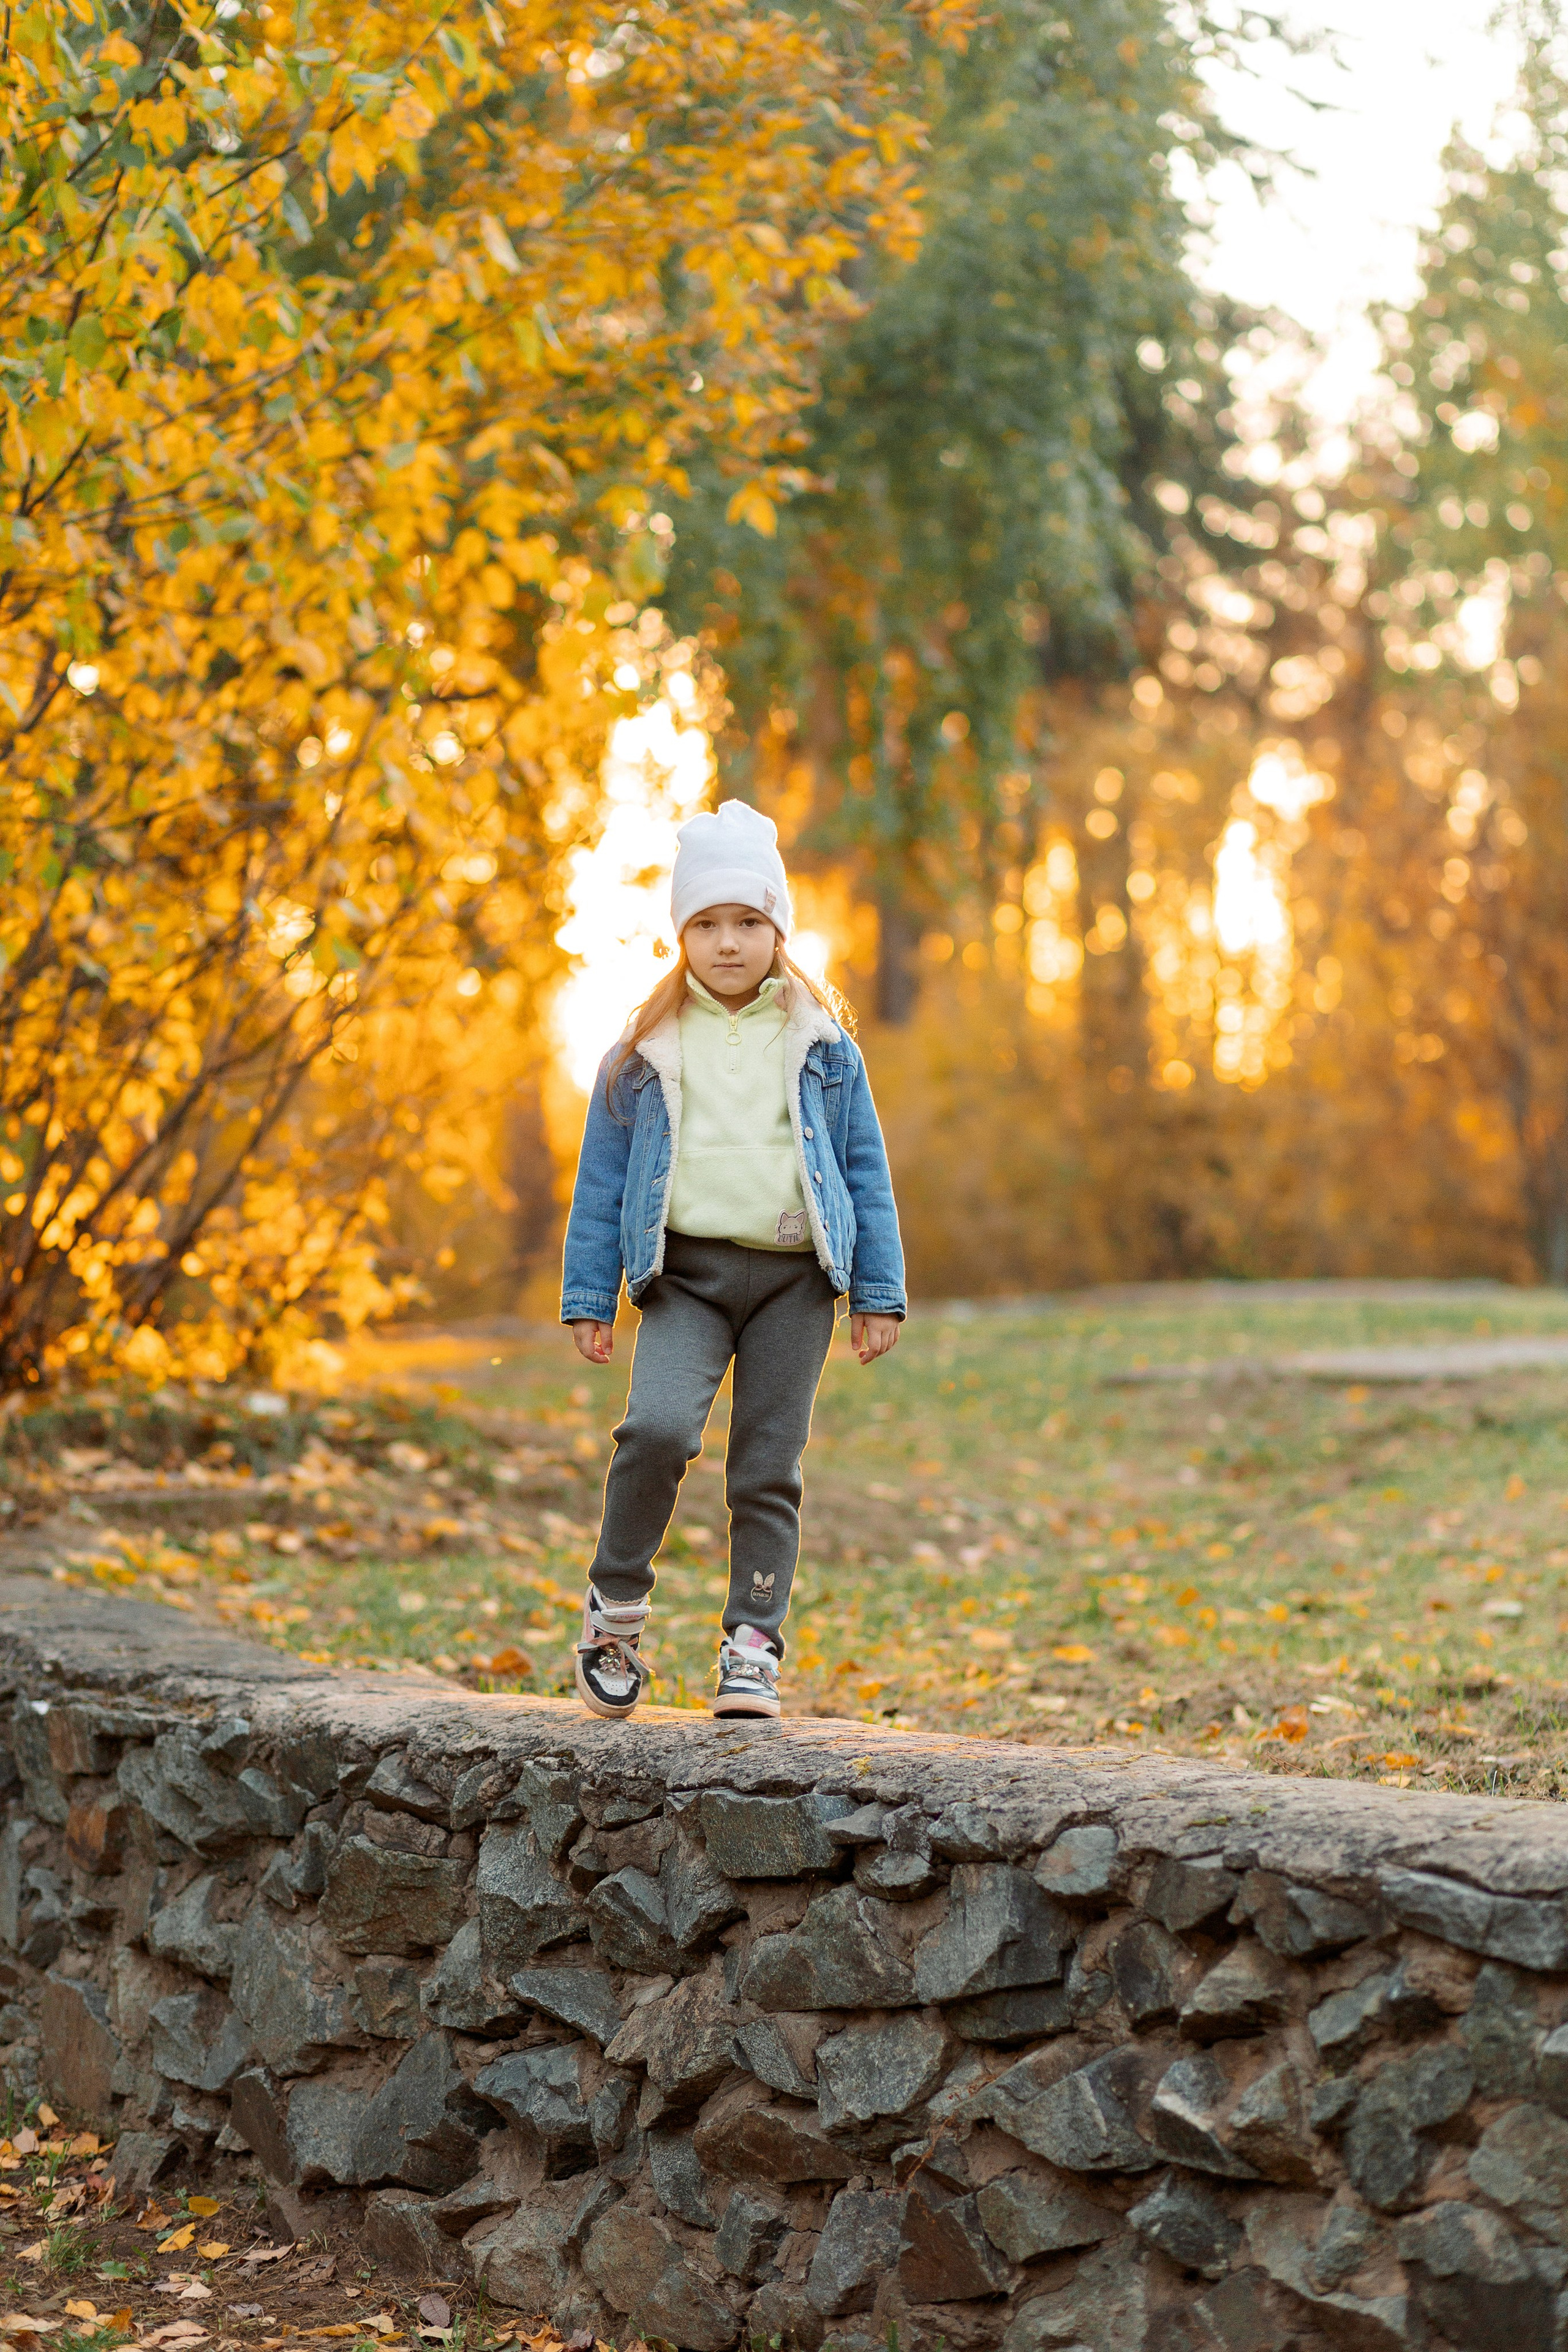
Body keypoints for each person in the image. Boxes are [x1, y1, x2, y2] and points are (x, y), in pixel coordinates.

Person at [560, 799, 907, 1721]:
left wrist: (879, 1291)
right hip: (688, 1280)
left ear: (779, 930)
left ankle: (752, 1643)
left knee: (767, 1466)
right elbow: (601, 1183)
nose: (727, 943)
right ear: (681, 936)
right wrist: (590, 1295)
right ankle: (615, 1614)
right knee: (659, 1431)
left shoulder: (824, 1044)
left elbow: (864, 1168)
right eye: (706, 925)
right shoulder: (642, 1052)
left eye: (748, 922)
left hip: (796, 1283)